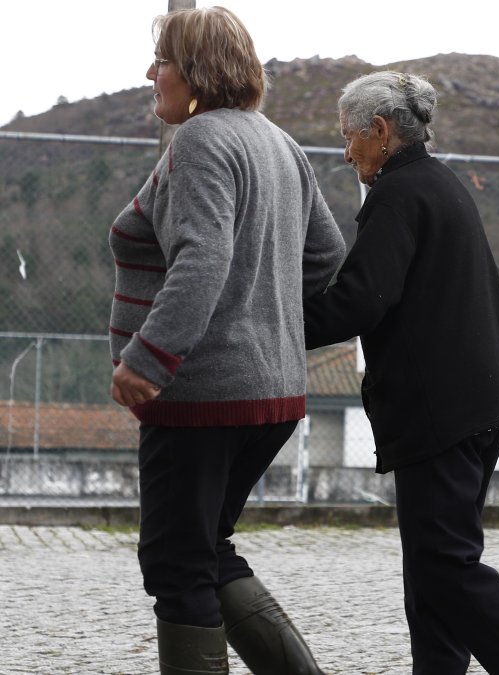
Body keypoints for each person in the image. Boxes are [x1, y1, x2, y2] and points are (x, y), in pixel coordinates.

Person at [303, 71, 499, 675]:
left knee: (444, 566)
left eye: (349, 136)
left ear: (380, 131)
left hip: (441, 413)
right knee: (432, 569)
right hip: (481, 403)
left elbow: (361, 301)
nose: (346, 152)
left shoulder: (398, 195)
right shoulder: (442, 184)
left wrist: (273, 326)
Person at [108, 6, 345, 674]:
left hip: (201, 395)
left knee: (176, 562)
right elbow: (327, 257)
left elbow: (203, 257)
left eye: (162, 61)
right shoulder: (278, 143)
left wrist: (148, 358)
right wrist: (267, 322)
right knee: (205, 549)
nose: (150, 73)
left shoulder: (201, 141)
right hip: (271, 392)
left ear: (197, 71)